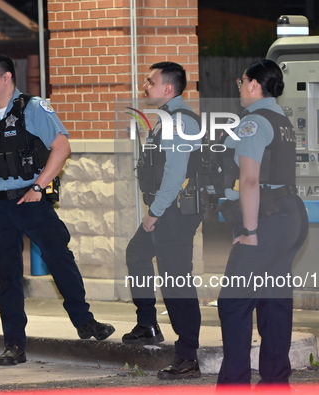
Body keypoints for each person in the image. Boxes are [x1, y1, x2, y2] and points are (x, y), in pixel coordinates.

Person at [0, 54, 115, 366]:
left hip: (30, 202)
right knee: (8, 277)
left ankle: (84, 321)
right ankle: (14, 345)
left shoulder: (34, 109)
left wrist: (38, 186)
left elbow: (62, 147)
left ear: (6, 78)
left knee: (59, 258)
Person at [216, 59, 309, 385]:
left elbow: (251, 180)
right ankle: (275, 383)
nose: (240, 87)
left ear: (255, 84)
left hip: (266, 221)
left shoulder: (253, 123)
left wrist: (250, 231)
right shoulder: (281, 118)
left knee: (233, 303)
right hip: (290, 217)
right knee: (274, 303)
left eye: (242, 81)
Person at [123, 62, 204, 380]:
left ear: (168, 88)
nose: (145, 86)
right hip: (168, 209)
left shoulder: (179, 122)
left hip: (174, 213)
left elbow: (175, 175)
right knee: (137, 254)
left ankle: (188, 357)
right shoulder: (168, 119)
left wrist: (154, 213)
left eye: (150, 81)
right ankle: (148, 324)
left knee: (176, 281)